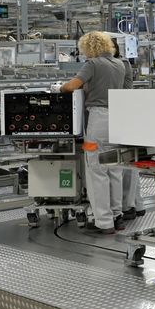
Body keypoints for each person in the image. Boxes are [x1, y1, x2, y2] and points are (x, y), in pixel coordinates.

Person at [56, 31, 126, 234]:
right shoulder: (119, 64)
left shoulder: (93, 64)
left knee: (96, 170)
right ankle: (117, 216)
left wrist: (59, 88)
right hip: (118, 120)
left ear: (88, 48)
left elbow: (72, 86)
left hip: (98, 120)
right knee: (115, 169)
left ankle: (103, 222)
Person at [112, 40, 145, 221]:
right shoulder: (123, 63)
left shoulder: (120, 64)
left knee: (127, 165)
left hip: (123, 114)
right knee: (130, 163)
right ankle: (136, 204)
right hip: (125, 113)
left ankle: (128, 205)